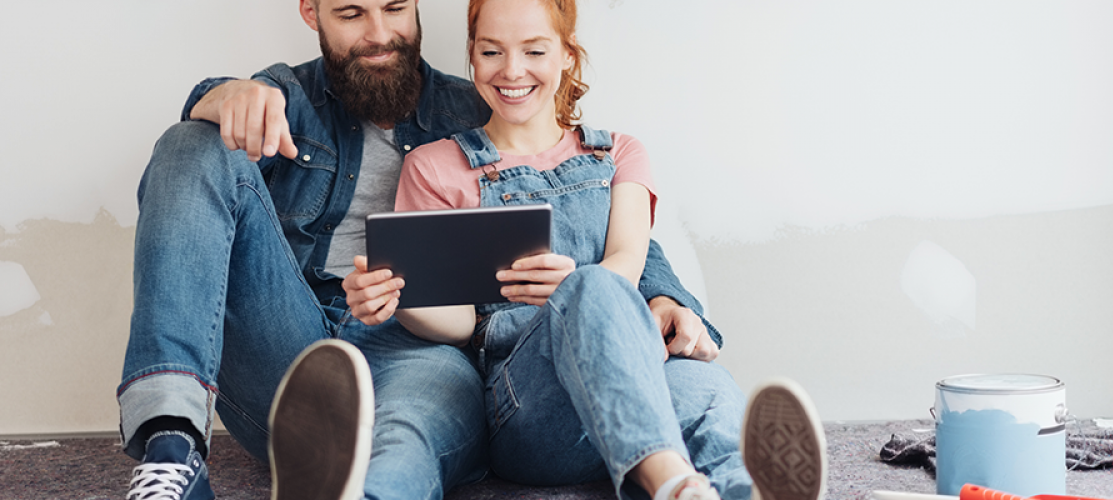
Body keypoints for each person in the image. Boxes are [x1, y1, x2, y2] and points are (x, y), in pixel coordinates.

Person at [118, 0, 728, 499]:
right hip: (291, 344)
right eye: (352, 13)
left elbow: (593, 207)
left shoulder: (484, 104)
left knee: (407, 436)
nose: (379, 34)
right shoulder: (284, 95)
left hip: (419, 347)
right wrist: (223, 94)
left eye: (394, 8)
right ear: (312, 12)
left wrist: (670, 294)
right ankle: (170, 445)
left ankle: (358, 487)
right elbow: (217, 110)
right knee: (191, 144)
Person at [340, 0, 828, 499]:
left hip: (631, 381)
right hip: (529, 409)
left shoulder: (620, 153)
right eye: (491, 51)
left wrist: (576, 289)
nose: (511, 70)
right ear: (472, 54)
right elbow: (462, 323)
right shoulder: (435, 167)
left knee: (706, 389)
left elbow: (627, 264)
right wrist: (405, 297)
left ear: (567, 56)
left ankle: (742, 490)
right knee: (591, 284)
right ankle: (674, 484)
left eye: (534, 50)